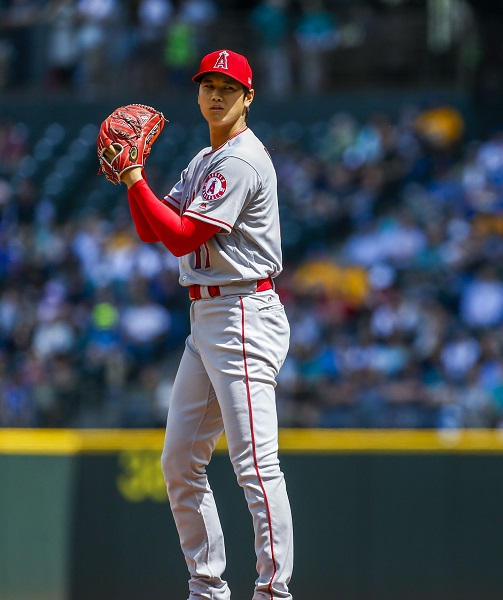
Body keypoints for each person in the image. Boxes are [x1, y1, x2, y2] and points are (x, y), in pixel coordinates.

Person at [103, 49, 294, 599]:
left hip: (241, 312)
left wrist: (137, 176)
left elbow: (185, 237)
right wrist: (132, 182)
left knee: (256, 467)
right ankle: (207, 589)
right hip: (208, 315)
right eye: (209, 84)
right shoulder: (203, 159)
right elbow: (152, 232)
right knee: (180, 462)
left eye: (228, 88)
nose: (216, 95)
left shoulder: (241, 160)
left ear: (248, 97)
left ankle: (272, 592)